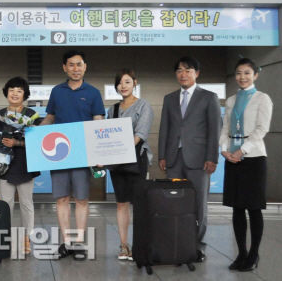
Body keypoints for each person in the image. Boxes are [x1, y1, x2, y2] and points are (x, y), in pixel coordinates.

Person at [40, 49, 106, 261]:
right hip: (58, 154)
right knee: (62, 199)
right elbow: (50, 117)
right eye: (71, 64)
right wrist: (34, 135)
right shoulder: (57, 91)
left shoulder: (94, 93)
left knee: (82, 199)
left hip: (83, 153)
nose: (75, 68)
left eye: (79, 64)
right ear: (64, 67)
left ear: (85, 67)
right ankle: (65, 243)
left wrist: (98, 152)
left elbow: (98, 122)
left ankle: (79, 243)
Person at [158, 56, 222, 262]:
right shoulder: (169, 98)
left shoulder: (209, 97)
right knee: (173, 203)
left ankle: (197, 246)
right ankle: (176, 244)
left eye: (188, 70)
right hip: (174, 159)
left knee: (198, 205)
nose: (183, 74)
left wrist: (212, 157)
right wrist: (162, 155)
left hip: (199, 160)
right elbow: (164, 129)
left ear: (197, 73)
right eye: (179, 70)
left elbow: (215, 129)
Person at [219, 58, 272, 272]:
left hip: (254, 158)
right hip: (232, 158)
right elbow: (225, 128)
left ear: (255, 75)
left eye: (247, 73)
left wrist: (243, 150)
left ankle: (253, 254)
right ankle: (241, 252)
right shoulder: (231, 100)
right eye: (239, 73)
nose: (242, 77)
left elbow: (262, 129)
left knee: (254, 208)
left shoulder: (263, 99)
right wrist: (224, 149)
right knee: (237, 208)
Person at [106, 69, 153, 261]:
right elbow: (107, 135)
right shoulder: (112, 110)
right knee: (121, 203)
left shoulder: (144, 105)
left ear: (134, 83)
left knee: (139, 205)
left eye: (127, 82)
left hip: (136, 160)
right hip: (117, 164)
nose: (123, 86)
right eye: (119, 83)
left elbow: (140, 135)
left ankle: (141, 245)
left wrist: (119, 150)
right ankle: (124, 245)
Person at [0, 77, 42, 255]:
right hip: (5, 164)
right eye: (11, 89)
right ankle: (5, 238)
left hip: (26, 163)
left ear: (25, 94)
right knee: (5, 204)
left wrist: (18, 143)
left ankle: (26, 239)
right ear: (6, 92)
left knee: (26, 203)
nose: (14, 93)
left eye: (19, 90)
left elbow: (38, 141)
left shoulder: (32, 115)